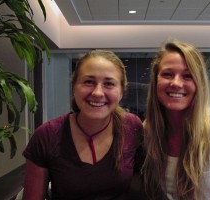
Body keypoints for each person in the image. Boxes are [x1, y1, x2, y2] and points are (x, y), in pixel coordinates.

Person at [22, 50, 143, 200]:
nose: (98, 93)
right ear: (74, 87)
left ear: (121, 92)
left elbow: (140, 184)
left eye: (109, 84)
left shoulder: (132, 127)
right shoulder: (46, 135)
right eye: (88, 82)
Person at [142, 40, 210, 200]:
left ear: (200, 84)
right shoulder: (147, 130)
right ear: (156, 81)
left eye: (187, 76)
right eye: (167, 74)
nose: (176, 83)